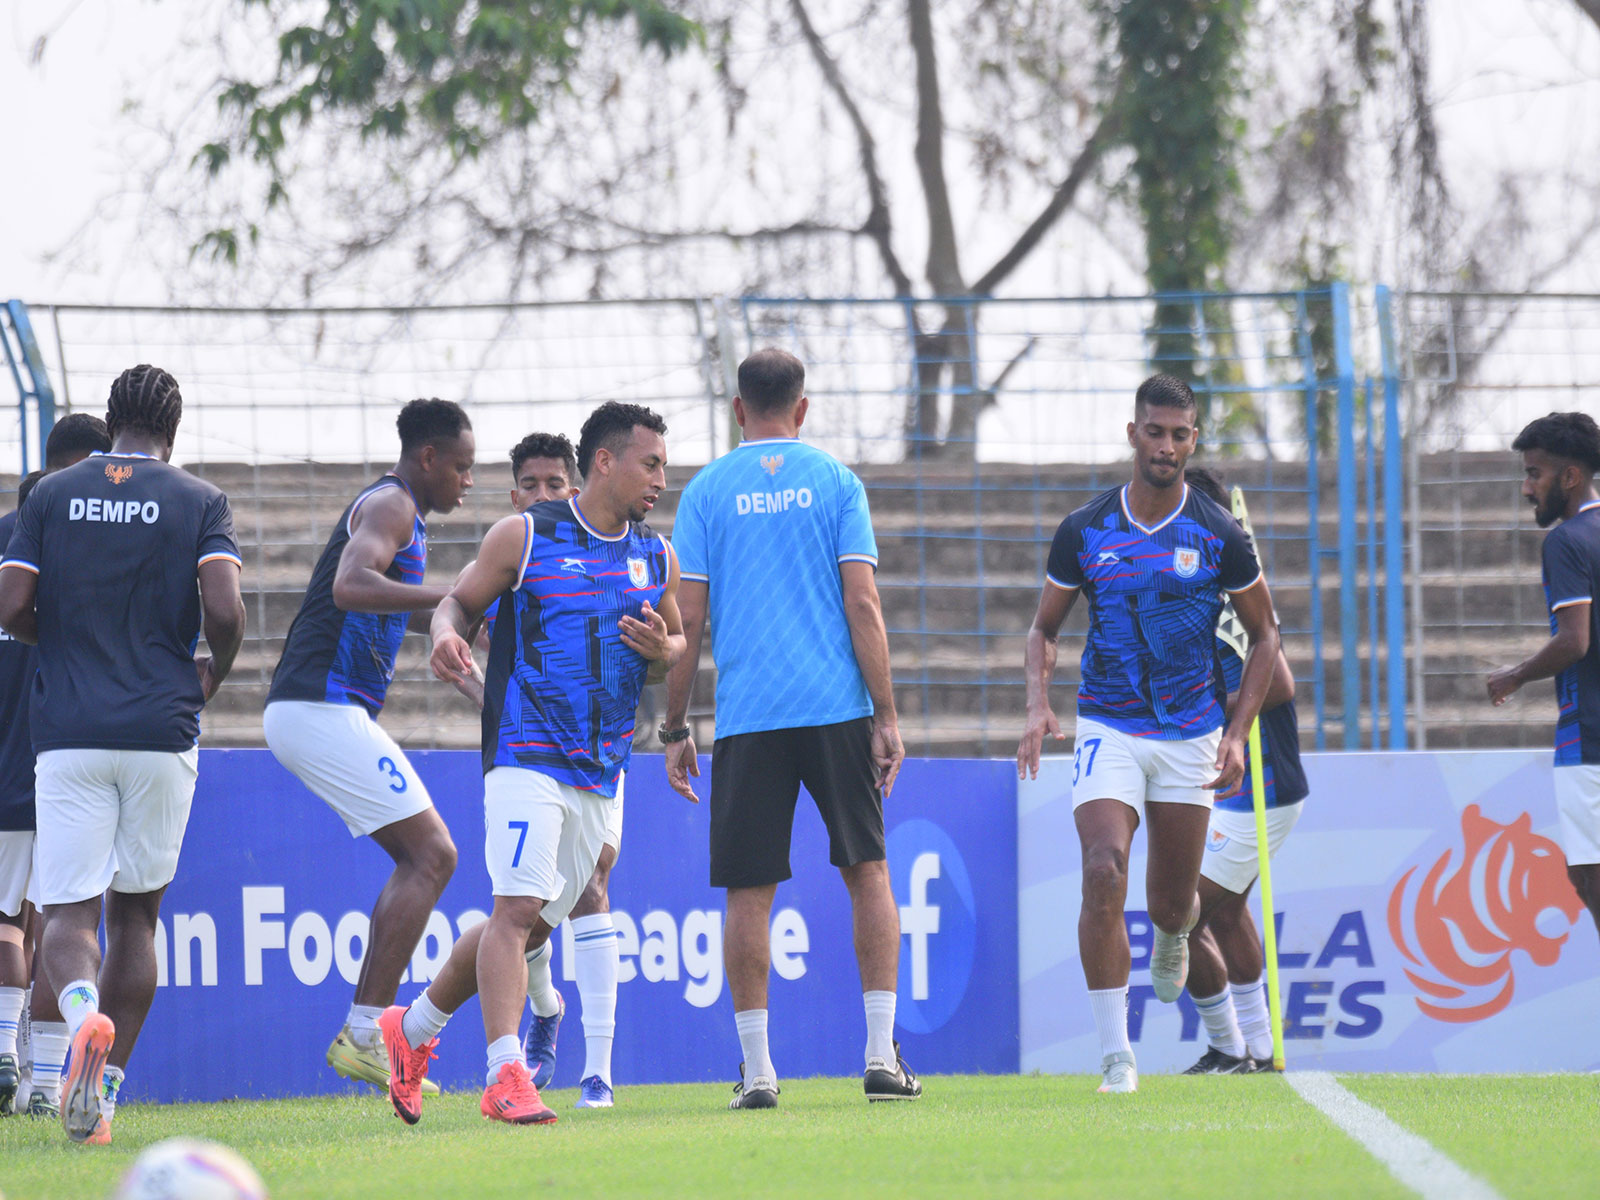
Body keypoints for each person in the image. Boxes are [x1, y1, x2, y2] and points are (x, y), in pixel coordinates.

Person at [381, 401, 683, 1127]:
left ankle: (410, 1030)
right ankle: (505, 1075)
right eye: (651, 464)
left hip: (601, 767)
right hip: (526, 752)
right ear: (605, 462)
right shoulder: (525, 535)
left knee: (532, 929)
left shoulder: (655, 554)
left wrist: (663, 653)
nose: (661, 480)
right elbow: (455, 604)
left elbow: (677, 639)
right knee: (515, 912)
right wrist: (446, 636)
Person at [662, 347, 916, 1110]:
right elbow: (863, 605)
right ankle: (878, 1054)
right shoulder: (837, 482)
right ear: (801, 409)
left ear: (739, 409)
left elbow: (690, 618)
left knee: (749, 891)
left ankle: (760, 1071)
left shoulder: (707, 492)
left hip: (749, 718)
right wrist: (888, 713)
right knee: (867, 870)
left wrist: (675, 723)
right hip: (837, 707)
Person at [0, 365, 246, 1143]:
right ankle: (99, 1094)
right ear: (175, 426)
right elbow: (225, 610)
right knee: (137, 916)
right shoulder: (199, 500)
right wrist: (210, 672)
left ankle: (79, 1017)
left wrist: (66, 643)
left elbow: (10, 605)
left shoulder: (51, 494)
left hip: (71, 729)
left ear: (111, 422)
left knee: (69, 916)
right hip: (161, 728)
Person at [1017, 373, 1280, 1095]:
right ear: (1132, 433)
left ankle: (1172, 935)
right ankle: (1116, 1059)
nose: (1167, 445)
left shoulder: (1219, 535)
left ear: (1194, 441)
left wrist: (1235, 734)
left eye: (1180, 434)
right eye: (1155, 431)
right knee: (1103, 870)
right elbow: (1044, 627)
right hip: (1109, 723)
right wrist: (1039, 702)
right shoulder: (1086, 529)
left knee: (1172, 906)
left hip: (1192, 734)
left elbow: (1266, 639)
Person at [263, 399, 474, 1095]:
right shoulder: (393, 505)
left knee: (426, 856)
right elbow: (352, 586)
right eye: (463, 467)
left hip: (319, 708)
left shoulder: (399, 510)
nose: (467, 482)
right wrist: (453, 597)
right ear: (428, 460)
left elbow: (374, 603)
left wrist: (445, 629)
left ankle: (364, 1032)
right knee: (434, 854)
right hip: (317, 706)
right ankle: (364, 1035)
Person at [451, 431, 630, 1109]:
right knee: (525, 907)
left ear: (578, 484)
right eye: (533, 485)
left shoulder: (617, 552)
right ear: (515, 491)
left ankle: (599, 1074)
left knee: (591, 884)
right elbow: (472, 634)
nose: (546, 495)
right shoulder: (516, 558)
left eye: (558, 484)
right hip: (532, 754)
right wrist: (487, 694)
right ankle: (542, 1011)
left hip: (602, 752)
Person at [0, 416, 114, 1119]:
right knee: (58, 927)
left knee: (10, 923)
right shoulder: (95, 544)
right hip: (76, 766)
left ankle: (5, 1059)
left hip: (13, 771)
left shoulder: (18, 541)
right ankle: (45, 1083)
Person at [1178, 468, 1304, 1074]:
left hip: (1263, 783)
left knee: (1179, 915)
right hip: (1239, 785)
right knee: (1223, 914)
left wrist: (1197, 706)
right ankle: (1255, 1049)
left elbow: (1278, 684)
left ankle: (1233, 1046)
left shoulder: (1227, 594)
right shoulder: (1205, 592)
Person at [1488, 411, 1600, 940]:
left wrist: (1515, 675)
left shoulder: (1567, 541)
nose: (1528, 487)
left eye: (1536, 474)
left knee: (1590, 878)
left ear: (1570, 477)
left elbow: (1574, 640)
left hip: (1591, 738)